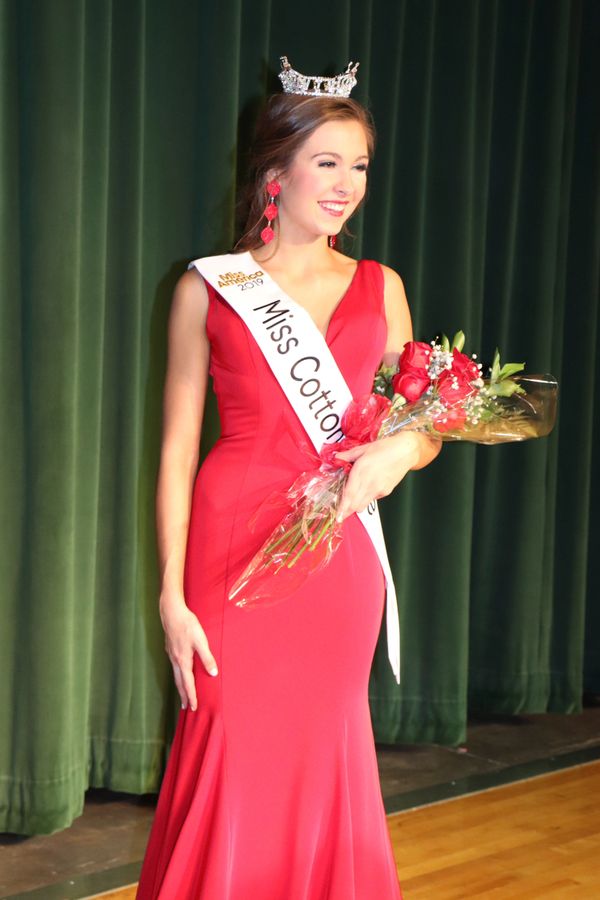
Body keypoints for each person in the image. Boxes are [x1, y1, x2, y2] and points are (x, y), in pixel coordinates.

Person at [136, 58, 441, 900]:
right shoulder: (211, 288)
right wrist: (170, 593)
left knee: (324, 743)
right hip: (231, 551)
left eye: (361, 166)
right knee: (230, 745)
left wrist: (400, 453)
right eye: (328, 162)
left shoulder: (385, 290)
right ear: (277, 169)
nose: (347, 185)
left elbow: (423, 427)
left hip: (336, 559)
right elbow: (174, 450)